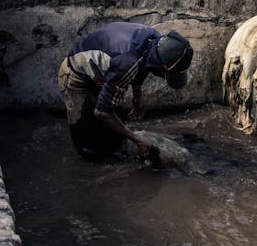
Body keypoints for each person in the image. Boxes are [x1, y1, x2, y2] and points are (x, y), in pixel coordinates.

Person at [58, 22, 193, 161]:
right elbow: (102, 112)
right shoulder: (126, 64)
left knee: (117, 139)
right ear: (162, 66)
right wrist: (138, 141)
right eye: (167, 74)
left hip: (101, 73)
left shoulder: (155, 40)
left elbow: (143, 66)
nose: (164, 78)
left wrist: (137, 98)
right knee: (89, 148)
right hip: (75, 76)